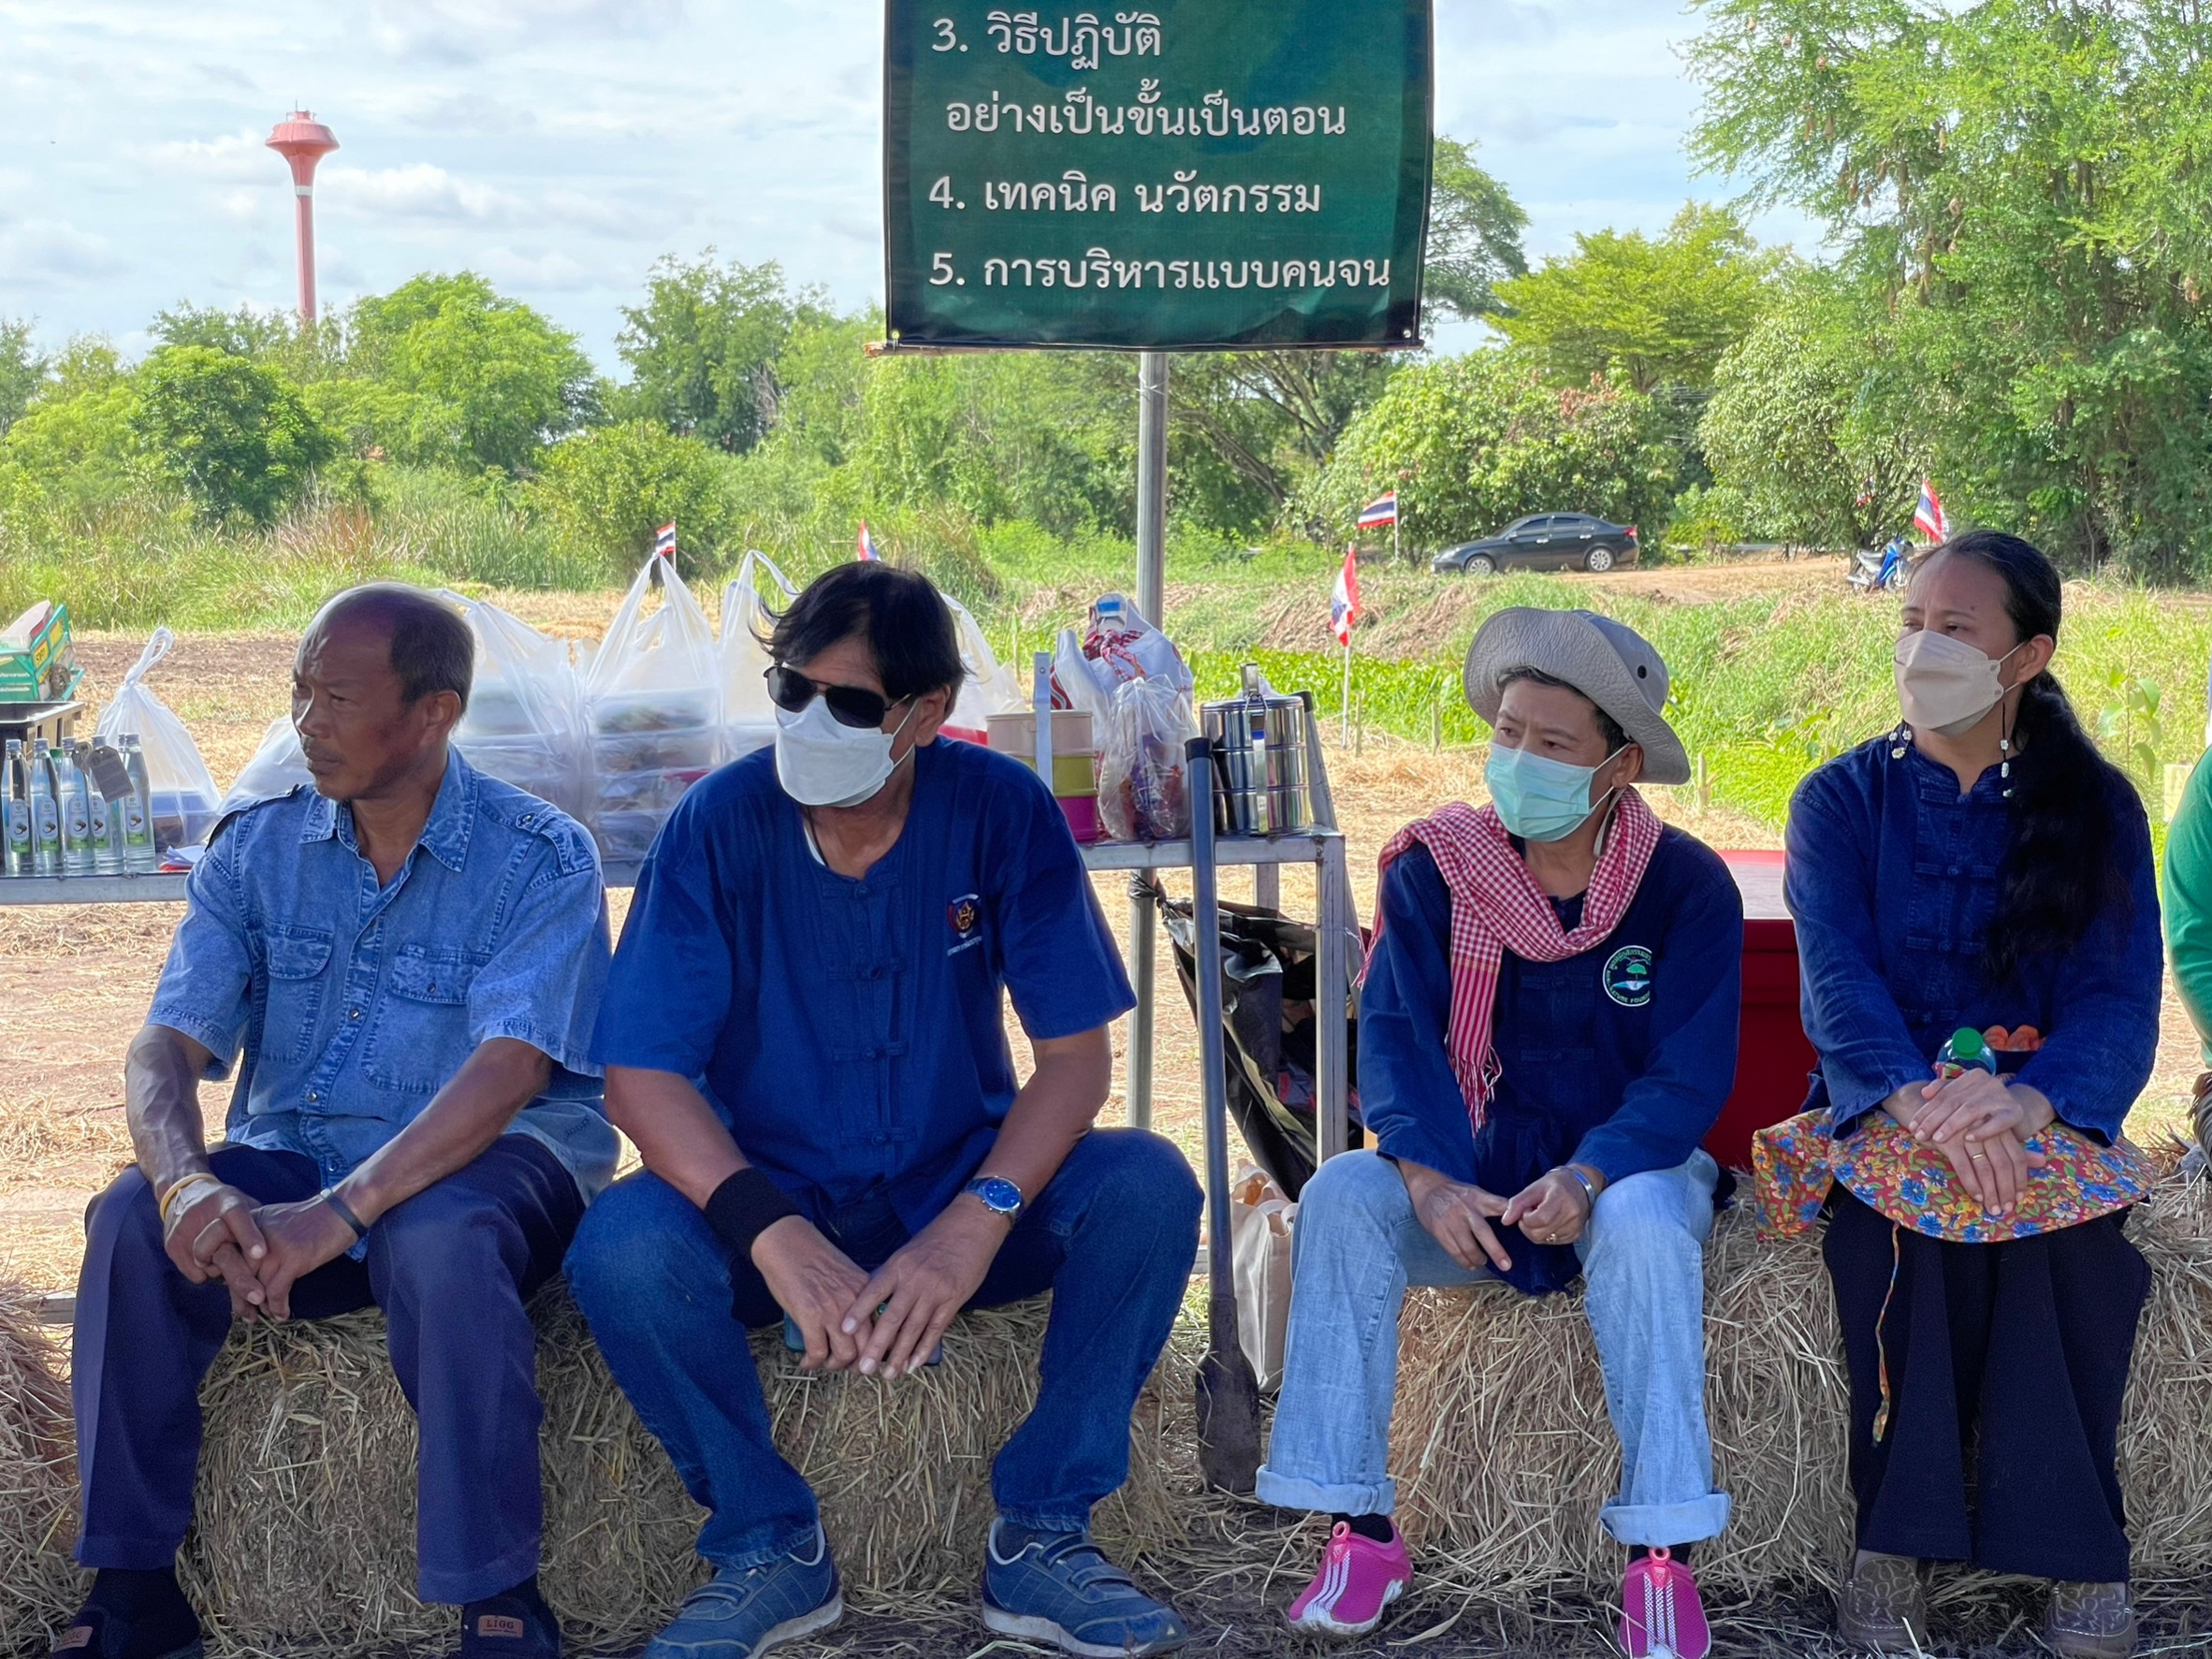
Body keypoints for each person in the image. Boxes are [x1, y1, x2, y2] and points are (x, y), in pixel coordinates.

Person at [563, 562, 1201, 1659]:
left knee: (1147, 1184)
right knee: (620, 1248)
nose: (810, 721)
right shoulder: (717, 823)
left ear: (927, 714)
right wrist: (769, 1231)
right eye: (789, 691)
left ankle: (1044, 1535)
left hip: (954, 1187)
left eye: (849, 705)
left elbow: (1074, 1065)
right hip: (762, 1204)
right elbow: (642, 1080)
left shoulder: (1000, 807)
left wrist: (979, 1218)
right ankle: (766, 1545)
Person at [59, 586, 615, 1659]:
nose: (305, 722)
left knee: (438, 1237)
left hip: (499, 1164)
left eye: (338, 697)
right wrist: (189, 1185)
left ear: (434, 713)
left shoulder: (542, 857)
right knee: (128, 1222)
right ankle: (130, 1586)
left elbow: (508, 1073)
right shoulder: (254, 849)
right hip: (300, 1158)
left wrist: (339, 1214)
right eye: (298, 692)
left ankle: (497, 1593)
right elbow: (162, 1051)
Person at [1258, 608, 1743, 1656]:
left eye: (1552, 744)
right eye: (1509, 732)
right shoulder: (1439, 868)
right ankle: (1361, 1528)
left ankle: (1661, 1555)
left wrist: (1590, 1173)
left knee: (1653, 1220)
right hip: (1472, 1185)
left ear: (1617, 766)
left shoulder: (1685, 885)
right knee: (1343, 1192)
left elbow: (1687, 1073)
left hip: (1622, 1177)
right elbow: (1394, 1037)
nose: (1518, 760)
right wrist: (1429, 1179)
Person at [1783, 531, 2161, 1658]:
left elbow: (2115, 993)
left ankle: (2077, 1560)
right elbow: (1837, 981)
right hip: (1884, 1105)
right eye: (1913, 623)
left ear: (2028, 654)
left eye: (1956, 629)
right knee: (1900, 1235)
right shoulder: (1839, 802)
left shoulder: (2098, 810)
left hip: (2040, 1104)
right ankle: (1892, 1548)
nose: (1922, 648)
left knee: (2076, 1244)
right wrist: (1917, 1102)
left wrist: (2034, 1103)